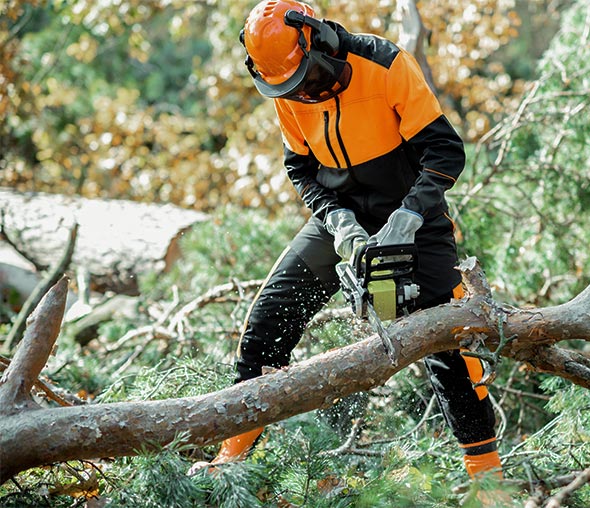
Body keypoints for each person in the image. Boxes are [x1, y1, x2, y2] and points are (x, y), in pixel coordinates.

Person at [193, 0, 501, 479]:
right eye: (288, 88)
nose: (302, 95)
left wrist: (410, 214)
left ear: (318, 40)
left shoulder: (385, 64)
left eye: (304, 80)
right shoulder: (284, 83)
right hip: (342, 218)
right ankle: (229, 463)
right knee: (271, 318)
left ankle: (488, 476)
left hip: (410, 217)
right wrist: (337, 222)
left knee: (448, 342)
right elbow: (300, 166)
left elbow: (444, 151)